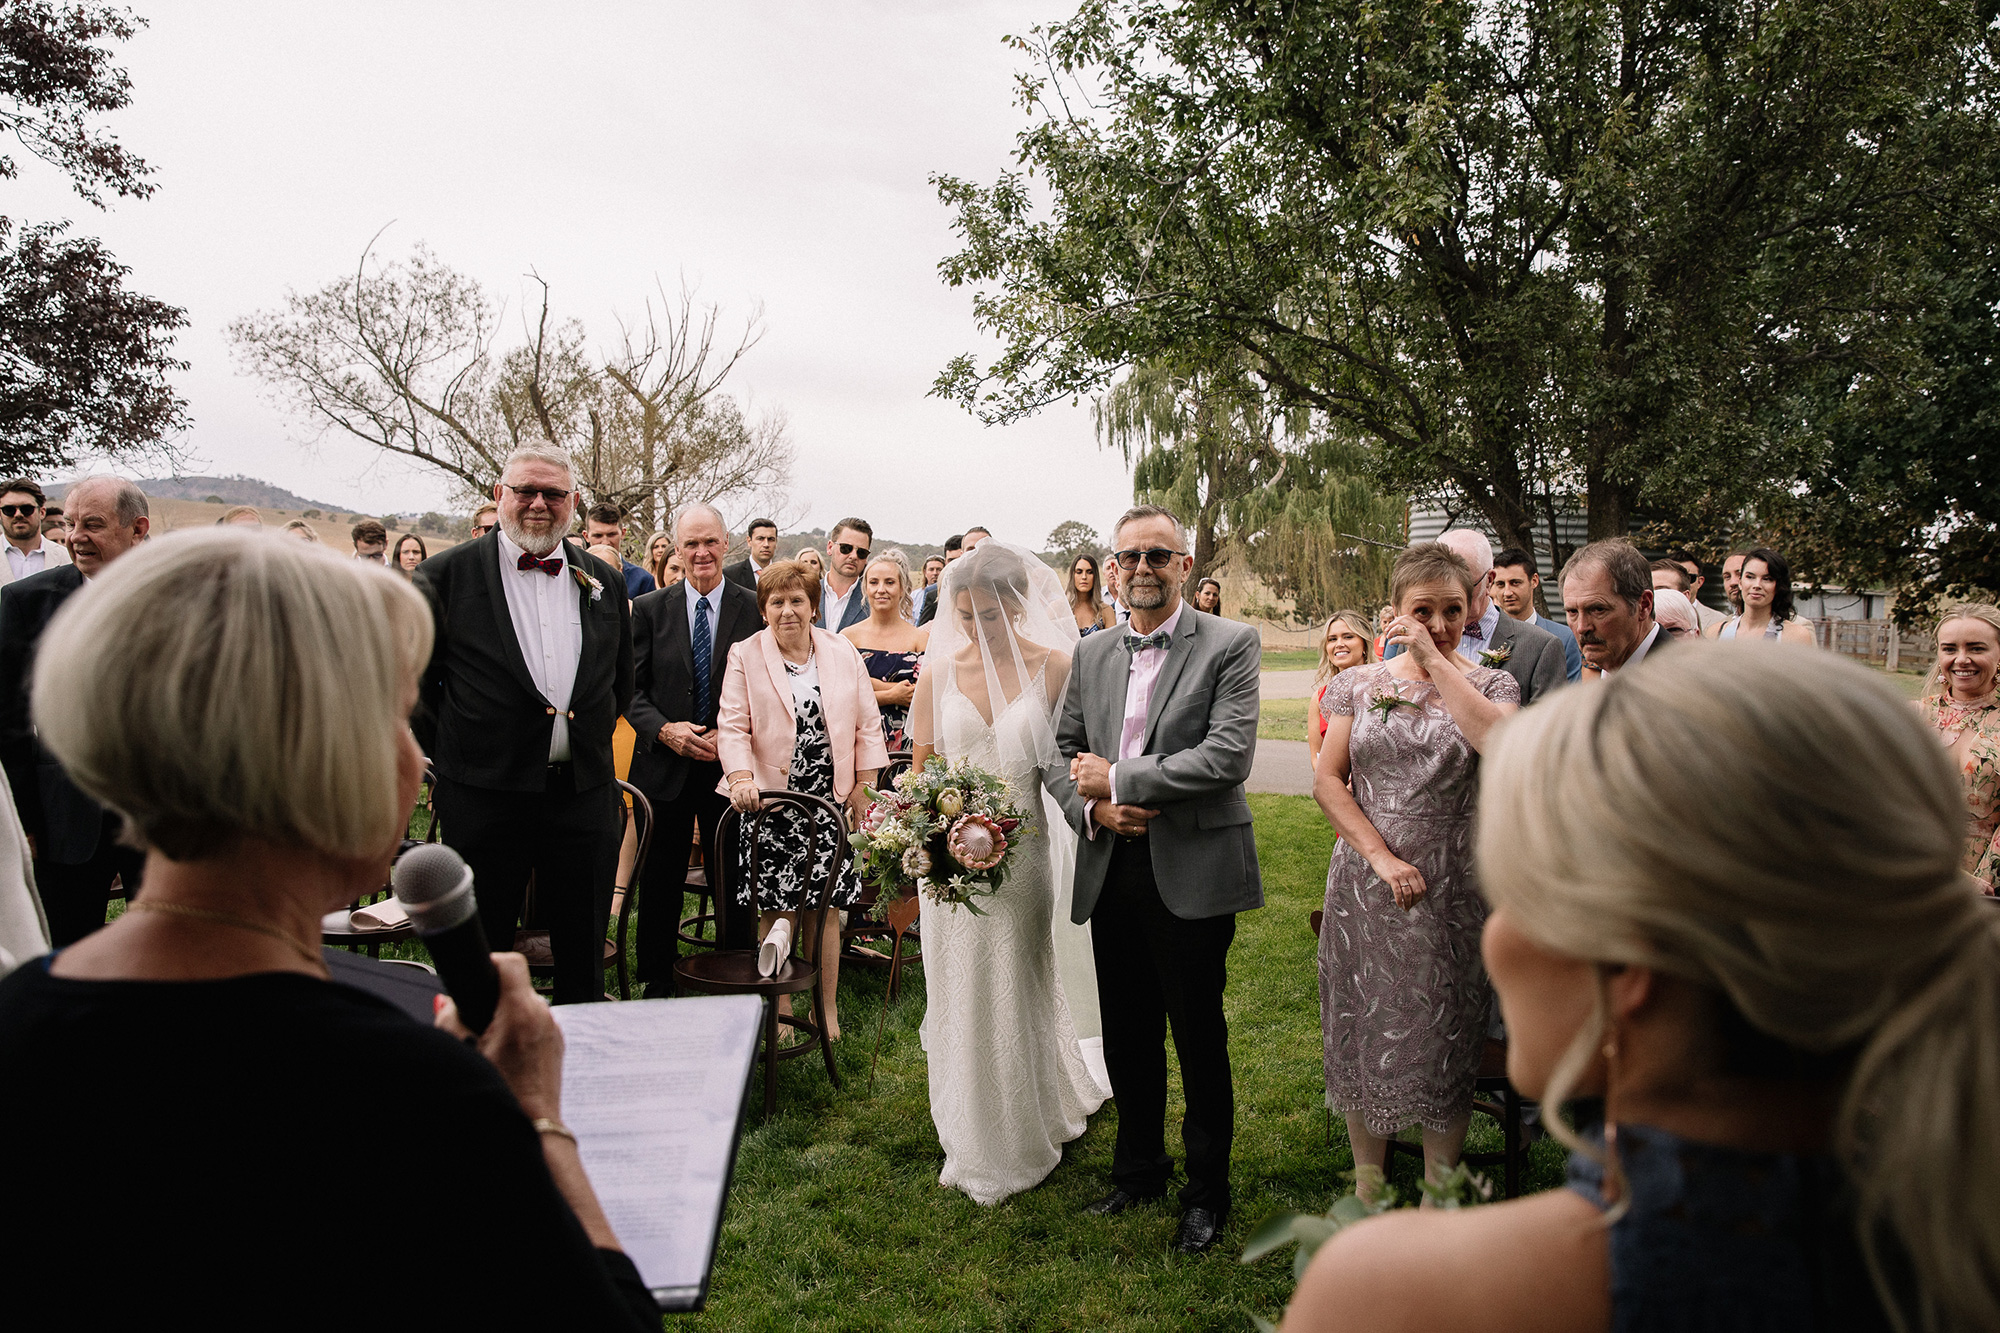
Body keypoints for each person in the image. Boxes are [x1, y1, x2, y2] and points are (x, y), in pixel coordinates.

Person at [0, 527, 658, 1329]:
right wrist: (536, 1119)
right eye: (396, 718)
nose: (419, 762)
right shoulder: (401, 1089)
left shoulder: (21, 1018)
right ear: (314, 754)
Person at [1286, 645, 2000, 1333]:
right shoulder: (1959, 1253)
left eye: (1518, 896)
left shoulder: (1397, 1295)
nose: (1497, 935)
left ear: (1630, 971)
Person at [1043, 504, 1264, 1255]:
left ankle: (1207, 1194)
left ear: (1185, 565)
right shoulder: (1094, 651)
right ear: (1112, 567)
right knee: (1130, 1030)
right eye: (1130, 556)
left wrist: (1122, 777)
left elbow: (1228, 755)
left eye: (1159, 556)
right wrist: (1095, 809)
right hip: (1113, 863)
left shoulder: (1232, 644)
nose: (1144, 568)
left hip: (1193, 864)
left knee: (1198, 1034)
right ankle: (1138, 1170)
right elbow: (1058, 749)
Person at [1312, 543, 1519, 1196]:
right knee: (1363, 1028)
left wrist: (1436, 661)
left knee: (1445, 1036)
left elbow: (1499, 744)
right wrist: (1381, 858)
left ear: (1472, 608)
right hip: (1366, 889)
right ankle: (1368, 1188)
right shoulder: (1356, 684)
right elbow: (1328, 780)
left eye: (1452, 609)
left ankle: (1440, 1193)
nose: (1438, 622)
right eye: (1422, 610)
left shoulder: (1494, 683)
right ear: (1395, 612)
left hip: (1452, 890)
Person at [909, 540, 1105, 1204]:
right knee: (961, 983)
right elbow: (923, 770)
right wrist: (936, 836)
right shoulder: (938, 673)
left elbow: (1076, 760)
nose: (975, 628)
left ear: (1018, 605)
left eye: (989, 616)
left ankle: (1029, 1117)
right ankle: (973, 1126)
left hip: (1023, 855)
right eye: (964, 615)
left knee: (1017, 975)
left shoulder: (1056, 666)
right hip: (947, 853)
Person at [412, 445, 633, 1005]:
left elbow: (618, 680)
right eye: (525, 491)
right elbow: (413, 686)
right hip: (485, 797)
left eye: (553, 494)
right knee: (483, 952)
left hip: (582, 795)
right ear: (498, 495)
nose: (538, 503)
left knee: (584, 953)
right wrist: (458, 758)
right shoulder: (445, 576)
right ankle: (483, 1069)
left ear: (574, 503)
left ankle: (576, 1066)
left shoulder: (602, 579)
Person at [715, 559, 887, 1041]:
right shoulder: (745, 654)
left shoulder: (841, 650)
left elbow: (867, 724)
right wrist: (742, 777)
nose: (787, 610)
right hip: (770, 800)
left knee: (826, 908)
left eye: (797, 601)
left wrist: (864, 783)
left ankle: (824, 1008)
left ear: (813, 606)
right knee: (777, 907)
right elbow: (732, 725)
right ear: (764, 609)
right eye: (777, 602)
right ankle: (783, 1007)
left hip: (829, 801)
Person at [0, 475, 151, 945]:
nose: (75, 536)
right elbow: (9, 718)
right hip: (64, 815)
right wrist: (25, 818)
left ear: (137, 529)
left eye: (93, 524)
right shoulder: (25, 602)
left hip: (161, 813)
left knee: (168, 952)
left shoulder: (183, 594)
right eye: (68, 523)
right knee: (66, 949)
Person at [625, 502, 762, 989]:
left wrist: (732, 737)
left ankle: (736, 976)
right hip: (664, 767)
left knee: (734, 878)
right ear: (676, 550)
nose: (701, 553)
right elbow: (629, 691)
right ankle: (657, 977)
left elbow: (769, 687)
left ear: (727, 544)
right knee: (660, 879)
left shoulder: (756, 606)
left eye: (710, 542)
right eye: (691, 544)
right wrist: (665, 731)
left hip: (734, 770)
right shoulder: (647, 610)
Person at [1389, 531, 1564, 705]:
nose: (1438, 626)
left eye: (1468, 585)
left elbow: (1549, 727)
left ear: (1490, 580)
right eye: (1423, 610)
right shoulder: (1412, 633)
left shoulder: (1539, 647)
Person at [1919, 603, 2000, 892]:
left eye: (1976, 648)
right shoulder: (1909, 717)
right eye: (1950, 649)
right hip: (1913, 874)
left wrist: (1984, 881)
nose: (1961, 659)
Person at [842, 551, 929, 750]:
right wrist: (892, 695)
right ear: (865, 588)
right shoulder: (848, 638)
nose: (881, 589)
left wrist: (867, 683)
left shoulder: (920, 639)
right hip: (858, 741)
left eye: (889, 582)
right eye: (874, 583)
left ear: (903, 588)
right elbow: (841, 694)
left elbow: (922, 695)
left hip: (906, 745)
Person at [1561, 539, 1672, 674]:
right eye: (1573, 612)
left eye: (1598, 610)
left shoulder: (1684, 681)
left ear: (1643, 605)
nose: (1582, 627)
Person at [1490, 547, 1581, 682]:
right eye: (1500, 584)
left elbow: (1572, 695)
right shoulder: (1487, 634)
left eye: (1515, 583)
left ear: (1534, 581)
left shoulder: (1564, 638)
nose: (1507, 592)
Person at [1307, 611, 1375, 772]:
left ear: (1364, 644)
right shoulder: (1319, 698)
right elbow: (1316, 757)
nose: (1339, 644)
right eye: (1332, 639)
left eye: (1348, 637)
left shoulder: (1384, 689)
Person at [1707, 546, 1814, 644]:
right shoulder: (1716, 633)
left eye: (1767, 579)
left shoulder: (1795, 636)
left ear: (1778, 586)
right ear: (1740, 582)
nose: (1757, 585)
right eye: (1750, 577)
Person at [0, 479, 70, 587]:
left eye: (27, 509)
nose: (18, 514)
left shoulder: (67, 557)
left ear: (42, 512)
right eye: (9, 510)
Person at [584, 504, 657, 601]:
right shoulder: (573, 575)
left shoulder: (642, 580)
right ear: (586, 536)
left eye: (611, 535)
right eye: (598, 536)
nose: (605, 542)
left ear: (623, 533)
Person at [820, 517, 874, 633]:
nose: (853, 556)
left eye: (861, 552)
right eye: (846, 548)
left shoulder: (873, 603)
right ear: (830, 547)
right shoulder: (806, 594)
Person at [1663, 546, 1727, 631]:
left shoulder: (1720, 620)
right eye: (1674, 578)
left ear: (1699, 582)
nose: (1681, 583)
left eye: (1688, 577)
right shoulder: (1651, 617)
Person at [1066, 553, 1116, 636]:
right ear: (1072, 575)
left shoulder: (1106, 611)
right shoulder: (1059, 608)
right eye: (1079, 572)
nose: (1084, 577)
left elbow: (1112, 645)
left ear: (1095, 576)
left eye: (1089, 572)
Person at [919, 536, 964, 627]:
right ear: (946, 562)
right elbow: (921, 629)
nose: (955, 564)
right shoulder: (933, 594)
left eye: (959, 559)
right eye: (951, 560)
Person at [725, 516, 779, 588]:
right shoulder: (730, 576)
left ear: (776, 542)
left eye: (771, 539)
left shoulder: (785, 576)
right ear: (749, 541)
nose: (766, 544)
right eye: (760, 539)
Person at [1721, 547, 1750, 614]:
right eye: (1727, 577)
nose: (1733, 583)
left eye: (1739, 574)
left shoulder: (1776, 623)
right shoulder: (1724, 624)